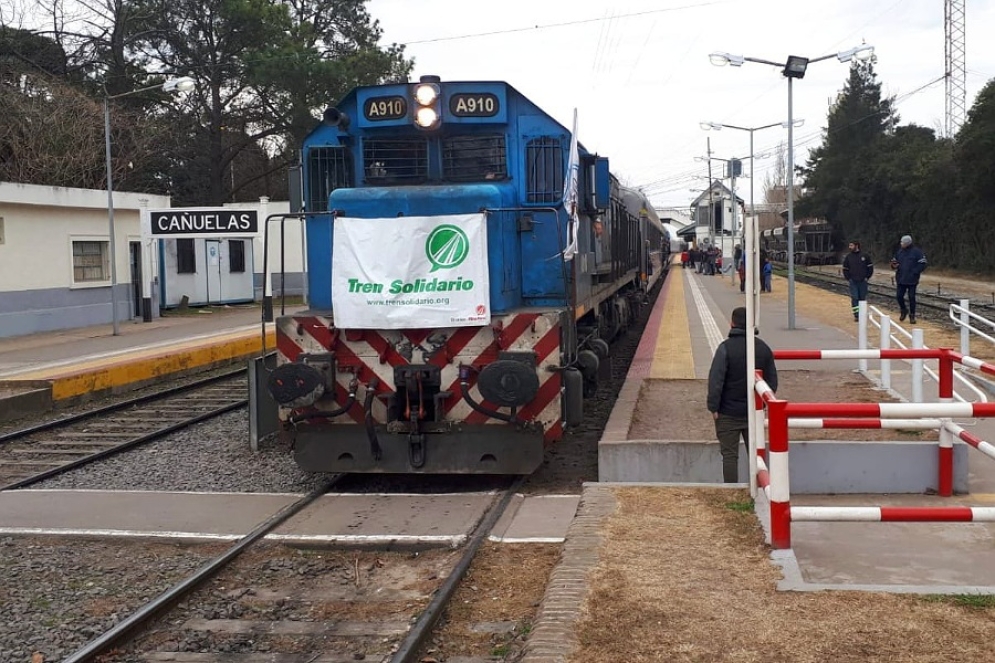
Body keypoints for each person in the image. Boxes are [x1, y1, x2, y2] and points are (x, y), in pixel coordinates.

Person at [707, 306, 779, 483]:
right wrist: (761, 405)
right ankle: (760, 489)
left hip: (727, 413)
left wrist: (713, 407)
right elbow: (772, 383)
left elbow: (716, 380)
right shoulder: (763, 348)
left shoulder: (725, 348)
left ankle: (731, 491)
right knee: (756, 454)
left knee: (729, 456)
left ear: (732, 323)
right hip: (753, 412)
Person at [889, 234, 928, 324]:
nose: (901, 244)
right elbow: (894, 261)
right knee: (899, 296)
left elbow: (923, 263)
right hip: (901, 278)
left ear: (907, 243)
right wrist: (893, 265)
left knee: (911, 297)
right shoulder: (899, 252)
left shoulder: (917, 252)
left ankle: (912, 315)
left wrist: (915, 272)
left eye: (902, 242)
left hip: (912, 280)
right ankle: (903, 310)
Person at [841, 240, 874, 322]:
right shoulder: (848, 257)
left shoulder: (865, 256)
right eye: (849, 245)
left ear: (856, 246)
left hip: (863, 281)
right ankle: (857, 315)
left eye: (851, 245)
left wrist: (867, 277)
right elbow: (845, 268)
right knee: (855, 297)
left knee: (862, 298)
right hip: (853, 281)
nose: (850, 247)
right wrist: (848, 278)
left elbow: (870, 267)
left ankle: (862, 314)